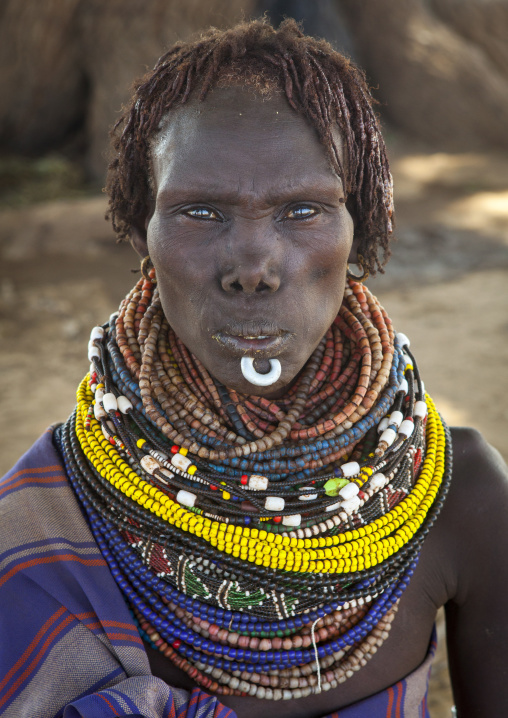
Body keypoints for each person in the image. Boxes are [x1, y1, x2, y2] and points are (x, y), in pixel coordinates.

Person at [1, 18, 507, 718]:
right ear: (142, 229)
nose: (253, 267)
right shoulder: (50, 516)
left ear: (358, 226)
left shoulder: (462, 499)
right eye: (199, 212)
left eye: (303, 210)